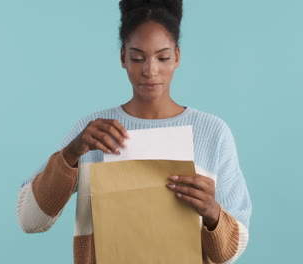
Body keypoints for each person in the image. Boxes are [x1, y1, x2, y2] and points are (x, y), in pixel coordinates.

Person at [16, 1, 252, 263]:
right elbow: (29, 219)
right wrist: (72, 153)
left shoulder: (212, 133)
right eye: (138, 58)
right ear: (123, 58)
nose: (150, 71)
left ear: (177, 56)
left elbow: (230, 254)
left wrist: (212, 213)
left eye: (162, 57)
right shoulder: (93, 132)